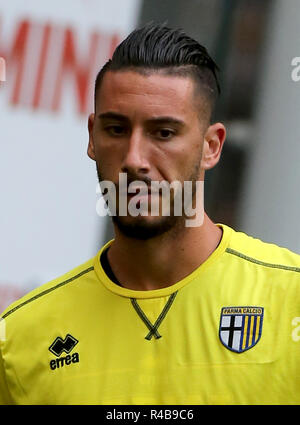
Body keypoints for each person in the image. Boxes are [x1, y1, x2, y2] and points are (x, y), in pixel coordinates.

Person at [0, 23, 299, 405]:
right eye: (117, 129)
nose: (135, 159)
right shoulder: (22, 338)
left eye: (163, 133)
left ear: (211, 146)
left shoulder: (291, 301)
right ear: (92, 137)